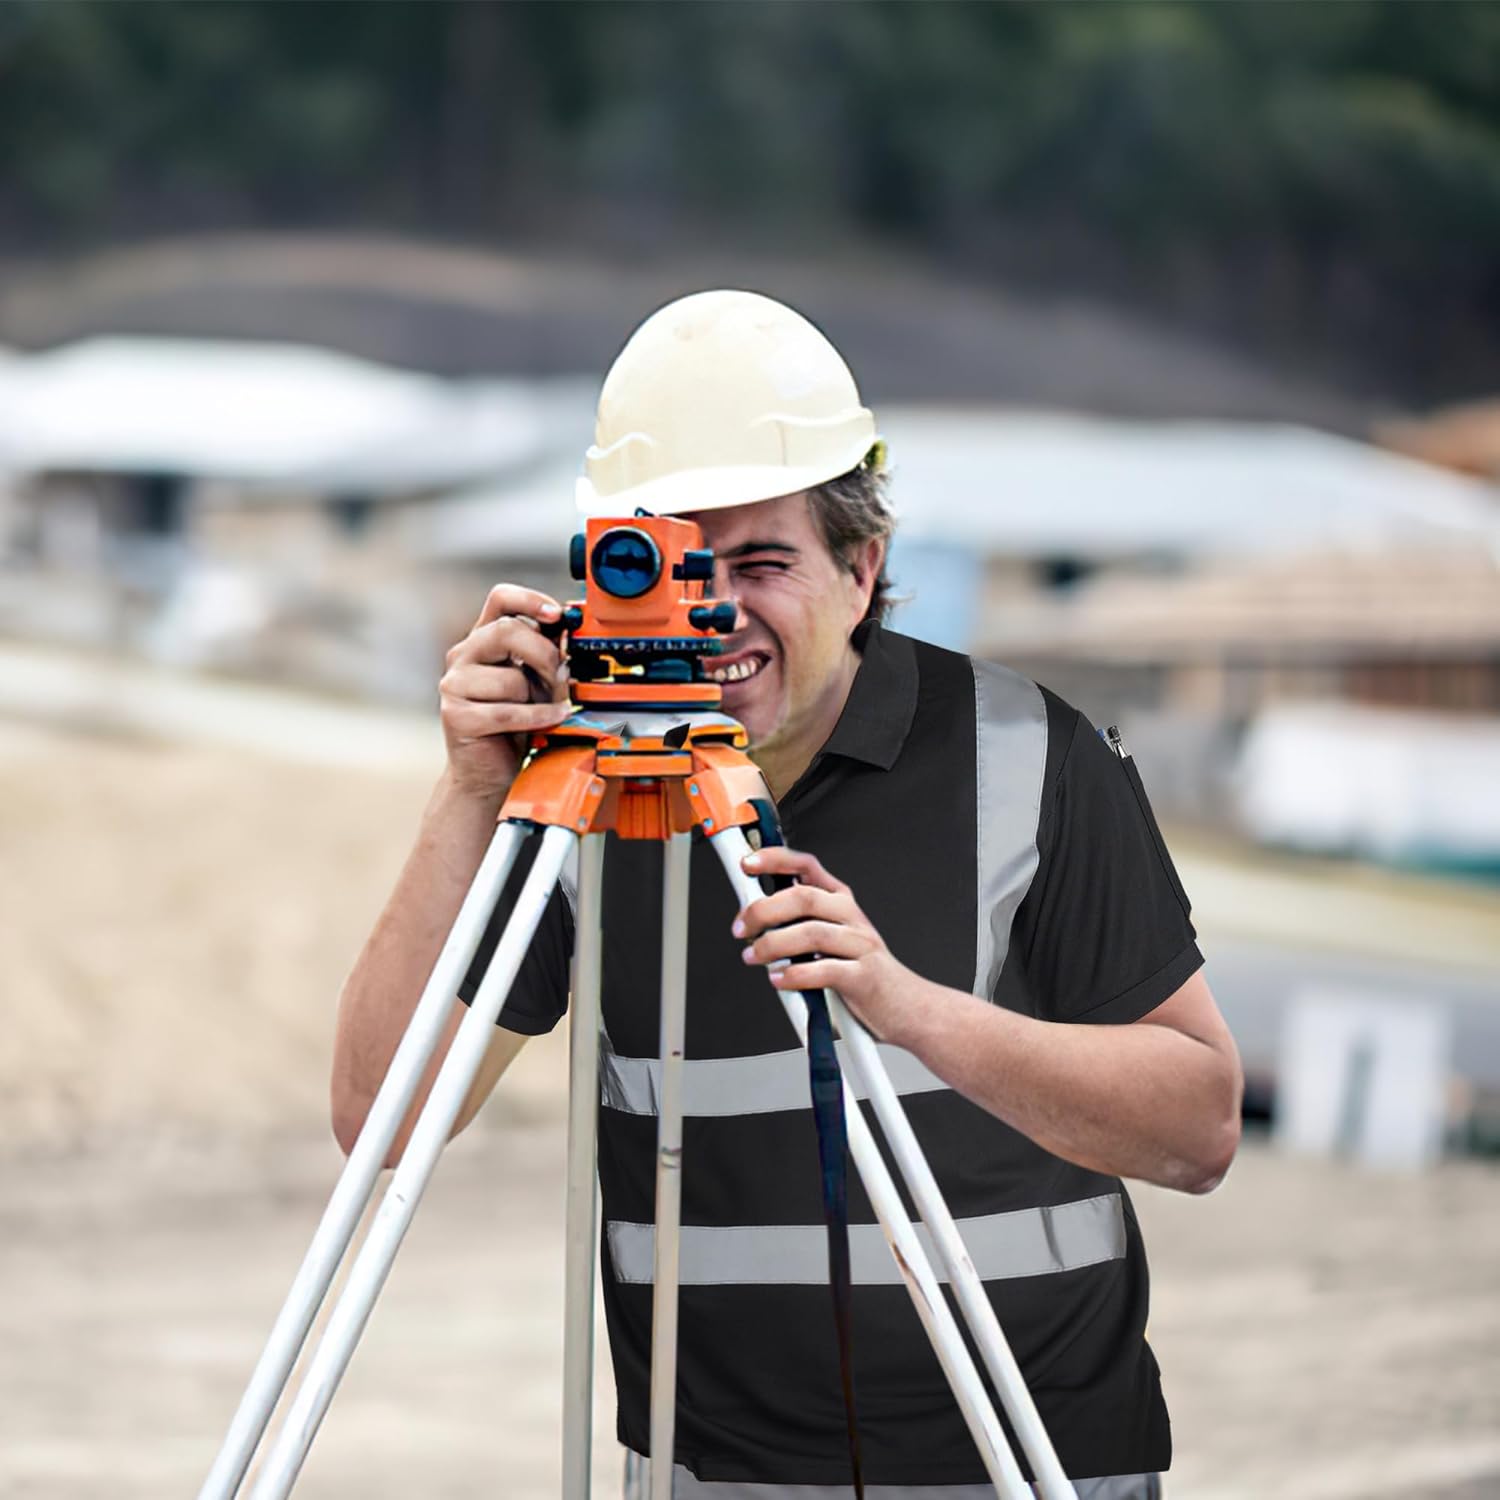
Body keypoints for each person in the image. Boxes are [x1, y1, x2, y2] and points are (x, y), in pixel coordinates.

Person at [332, 290, 1243, 1500]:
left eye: (763, 561)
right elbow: (378, 1121)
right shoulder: (586, 789)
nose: (715, 613)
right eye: (668, 568)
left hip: (1035, 1464)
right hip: (716, 1476)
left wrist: (910, 1009)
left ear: (863, 567)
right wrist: (469, 789)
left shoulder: (1032, 756)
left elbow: (1198, 1129)